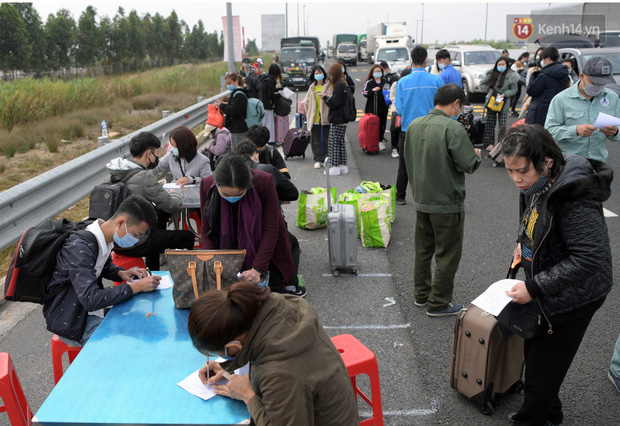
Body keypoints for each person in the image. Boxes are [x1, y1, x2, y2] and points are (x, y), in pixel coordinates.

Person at [500, 124, 613, 426]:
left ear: (547, 162)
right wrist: (521, 242)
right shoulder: (536, 183)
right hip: (550, 280)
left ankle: (532, 419)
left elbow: (591, 258)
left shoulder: (574, 197)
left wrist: (534, 287)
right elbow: (531, 215)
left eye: (521, 171)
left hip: (578, 294)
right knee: (534, 351)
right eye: (509, 172)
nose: (516, 180)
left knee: (542, 367)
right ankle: (552, 413)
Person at [188, 282, 358, 425]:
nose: (221, 357)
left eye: (222, 353)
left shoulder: (280, 374)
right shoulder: (277, 309)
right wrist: (228, 367)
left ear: (234, 345)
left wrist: (248, 396)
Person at [403, 84, 481, 317]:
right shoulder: (452, 127)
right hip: (447, 202)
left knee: (423, 250)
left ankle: (421, 295)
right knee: (447, 254)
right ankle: (438, 302)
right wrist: (476, 155)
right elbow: (469, 164)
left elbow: (407, 159)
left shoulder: (414, 125)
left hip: (422, 199)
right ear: (456, 103)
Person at [43, 195, 162, 346]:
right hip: (73, 321)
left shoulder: (101, 236)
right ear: (120, 223)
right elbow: (91, 299)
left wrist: (120, 273)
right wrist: (136, 286)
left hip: (88, 311)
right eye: (135, 235)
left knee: (139, 324)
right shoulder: (80, 247)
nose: (136, 240)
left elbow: (101, 265)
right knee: (128, 344)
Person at [199, 154, 305, 297]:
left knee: (272, 297)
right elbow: (206, 229)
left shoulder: (263, 182)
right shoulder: (206, 185)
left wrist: (257, 268)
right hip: (225, 246)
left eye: (239, 194)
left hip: (262, 245)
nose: (232, 198)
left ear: (248, 185)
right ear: (216, 184)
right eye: (226, 194)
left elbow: (270, 229)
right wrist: (213, 261)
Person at [106, 132, 195, 270]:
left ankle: (153, 273)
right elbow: (171, 205)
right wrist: (175, 194)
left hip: (115, 240)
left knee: (155, 230)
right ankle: (188, 275)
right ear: (149, 154)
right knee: (187, 237)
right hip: (135, 242)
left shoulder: (117, 173)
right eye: (156, 153)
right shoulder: (144, 176)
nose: (157, 157)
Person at [234, 140, 303, 295]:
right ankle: (291, 286)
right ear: (256, 156)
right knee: (289, 243)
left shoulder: (229, 172)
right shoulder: (267, 170)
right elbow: (293, 193)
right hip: (269, 223)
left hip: (239, 229)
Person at [394, 45, 444, 204]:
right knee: (431, 163)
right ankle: (430, 196)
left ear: (411, 61)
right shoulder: (436, 80)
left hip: (408, 129)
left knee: (404, 164)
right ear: (426, 60)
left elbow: (400, 109)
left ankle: (400, 196)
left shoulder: (402, 82)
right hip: (432, 128)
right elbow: (443, 104)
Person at [545, 57, 620, 162]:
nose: (598, 87)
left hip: (598, 162)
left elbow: (617, 131)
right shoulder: (561, 99)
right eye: (594, 83)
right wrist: (575, 130)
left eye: (602, 84)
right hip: (569, 163)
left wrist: (615, 132)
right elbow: (549, 131)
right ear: (582, 76)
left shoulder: (612, 98)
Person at [320, 62, 353, 176]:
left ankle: (335, 167)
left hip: (337, 118)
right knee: (341, 143)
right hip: (342, 119)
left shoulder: (338, 85)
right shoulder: (343, 84)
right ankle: (343, 166)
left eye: (330, 73)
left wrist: (325, 98)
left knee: (333, 143)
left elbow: (335, 103)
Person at [480, 56, 518, 151]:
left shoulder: (511, 76)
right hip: (491, 102)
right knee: (490, 124)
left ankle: (501, 143)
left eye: (503, 64)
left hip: (504, 103)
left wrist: (505, 94)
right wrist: (488, 91)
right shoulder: (492, 74)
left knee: (502, 125)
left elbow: (514, 89)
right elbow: (482, 83)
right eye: (499, 64)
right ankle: (489, 143)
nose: (501, 66)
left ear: (507, 65)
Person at [525, 46, 569, 126]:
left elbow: (531, 91)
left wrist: (534, 75)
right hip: (557, 109)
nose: (541, 61)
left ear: (548, 59)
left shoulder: (544, 75)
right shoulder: (563, 72)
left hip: (540, 113)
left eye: (542, 59)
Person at [303, 65, 330, 169]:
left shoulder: (328, 86)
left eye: (320, 73)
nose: (319, 75)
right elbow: (306, 103)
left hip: (325, 117)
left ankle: (326, 158)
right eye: (316, 73)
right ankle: (318, 159)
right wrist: (309, 113)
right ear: (313, 76)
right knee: (315, 140)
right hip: (314, 117)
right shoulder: (312, 88)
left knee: (326, 139)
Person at [217, 72, 249, 147]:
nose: (228, 85)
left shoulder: (239, 94)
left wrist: (221, 106)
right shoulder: (237, 93)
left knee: (238, 151)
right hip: (237, 128)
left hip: (239, 129)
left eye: (229, 82)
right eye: (226, 83)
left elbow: (233, 111)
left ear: (236, 81)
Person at [362, 64, 390, 149]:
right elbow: (364, 93)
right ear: (372, 73)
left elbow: (389, 91)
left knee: (382, 124)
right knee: (372, 125)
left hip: (383, 107)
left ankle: (380, 141)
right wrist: (372, 90)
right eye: (376, 71)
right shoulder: (369, 82)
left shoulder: (385, 81)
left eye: (379, 71)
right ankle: (371, 142)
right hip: (372, 108)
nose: (378, 73)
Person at [258, 64, 283, 144]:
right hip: (268, 105)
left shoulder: (264, 78)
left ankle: (263, 141)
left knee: (264, 124)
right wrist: (280, 94)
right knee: (270, 124)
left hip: (262, 104)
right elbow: (270, 95)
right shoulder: (271, 81)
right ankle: (270, 141)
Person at [388, 67, 410, 158]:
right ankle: (394, 148)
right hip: (396, 110)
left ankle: (402, 148)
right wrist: (399, 103)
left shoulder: (409, 84)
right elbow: (392, 96)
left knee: (404, 131)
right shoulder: (395, 84)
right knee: (395, 129)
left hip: (407, 110)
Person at [510, 52, 530, 117]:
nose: (527, 59)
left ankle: (512, 110)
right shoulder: (517, 63)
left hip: (519, 81)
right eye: (527, 58)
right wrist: (519, 69)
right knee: (516, 96)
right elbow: (512, 70)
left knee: (517, 96)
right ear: (524, 57)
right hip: (516, 81)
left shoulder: (523, 63)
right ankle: (512, 110)